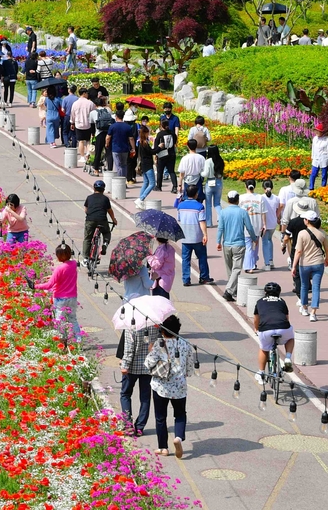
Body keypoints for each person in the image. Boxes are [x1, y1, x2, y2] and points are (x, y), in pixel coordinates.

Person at [144, 314, 191, 459]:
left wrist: (150, 350)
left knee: (160, 417)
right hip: (179, 386)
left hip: (161, 386)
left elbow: (148, 364)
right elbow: (189, 367)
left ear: (163, 330)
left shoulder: (159, 344)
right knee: (180, 414)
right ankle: (178, 437)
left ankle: (163, 447)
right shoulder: (185, 343)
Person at [36, 243, 80, 350]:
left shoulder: (59, 269)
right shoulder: (74, 264)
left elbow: (49, 285)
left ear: (60, 256)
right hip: (72, 297)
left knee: (59, 320)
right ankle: (78, 340)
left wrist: (35, 286)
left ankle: (63, 341)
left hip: (60, 299)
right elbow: (67, 274)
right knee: (73, 318)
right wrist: (52, 276)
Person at [218, 190, 257, 302]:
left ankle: (232, 291)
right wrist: (254, 238)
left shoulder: (223, 212)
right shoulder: (243, 212)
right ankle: (229, 290)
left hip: (226, 244)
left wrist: (218, 241)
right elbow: (249, 227)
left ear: (228, 199)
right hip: (239, 244)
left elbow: (220, 228)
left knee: (230, 269)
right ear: (238, 200)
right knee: (237, 269)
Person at [120, 312, 155, 436]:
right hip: (148, 367)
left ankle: (128, 425)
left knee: (125, 394)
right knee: (145, 397)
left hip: (132, 368)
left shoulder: (131, 327)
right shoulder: (154, 326)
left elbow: (129, 349)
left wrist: (125, 366)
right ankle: (140, 427)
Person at [253, 283, 295, 383]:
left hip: (266, 329)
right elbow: (286, 318)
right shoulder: (281, 301)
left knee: (264, 349)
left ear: (265, 292)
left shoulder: (260, 301)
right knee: (290, 338)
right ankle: (288, 358)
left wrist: (256, 329)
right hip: (283, 327)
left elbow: (256, 319)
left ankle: (261, 373)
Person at [291, 212, 328, 321]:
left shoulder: (302, 233)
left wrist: (294, 266)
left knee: (304, 285)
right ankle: (313, 312)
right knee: (316, 287)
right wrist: (327, 259)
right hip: (318, 263)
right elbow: (327, 249)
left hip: (305, 264)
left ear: (307, 221)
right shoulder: (322, 233)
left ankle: (304, 307)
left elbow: (298, 251)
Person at [176, 185, 211, 286]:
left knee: (186, 259)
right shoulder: (200, 206)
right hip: (197, 237)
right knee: (202, 257)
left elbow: (179, 219)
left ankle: (186, 279)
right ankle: (204, 277)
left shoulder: (180, 206)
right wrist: (205, 234)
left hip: (185, 237)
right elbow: (202, 222)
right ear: (196, 194)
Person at [239, 181, 267, 272]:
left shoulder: (241, 198)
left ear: (245, 186)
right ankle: (253, 263)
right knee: (255, 245)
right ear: (254, 186)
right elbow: (263, 213)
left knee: (248, 246)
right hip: (257, 225)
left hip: (245, 226)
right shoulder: (260, 197)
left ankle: (249, 266)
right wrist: (264, 224)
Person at [83, 180, 117, 254]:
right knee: (106, 233)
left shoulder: (89, 198)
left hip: (90, 220)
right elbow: (110, 211)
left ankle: (85, 258)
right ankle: (105, 244)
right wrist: (113, 220)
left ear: (94, 188)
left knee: (87, 239)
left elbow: (86, 210)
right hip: (102, 220)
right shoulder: (105, 199)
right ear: (103, 190)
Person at [106, 108, 137, 179]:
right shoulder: (127, 127)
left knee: (118, 165)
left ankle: (120, 181)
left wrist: (107, 144)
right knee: (124, 165)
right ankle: (124, 180)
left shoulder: (112, 126)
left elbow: (108, 137)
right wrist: (133, 148)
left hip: (115, 149)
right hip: (125, 149)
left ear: (116, 117)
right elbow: (131, 139)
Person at [89, 98, 115, 175]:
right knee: (109, 152)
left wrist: (93, 134)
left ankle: (96, 170)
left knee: (98, 152)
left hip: (99, 133)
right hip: (108, 133)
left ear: (95, 105)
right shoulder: (108, 110)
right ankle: (110, 169)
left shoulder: (93, 112)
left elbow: (92, 125)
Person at [202, 145, 225, 228]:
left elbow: (206, 174)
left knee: (208, 204)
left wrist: (200, 173)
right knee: (217, 203)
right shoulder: (220, 160)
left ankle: (209, 222)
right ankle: (221, 219)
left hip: (210, 182)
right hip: (218, 182)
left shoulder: (208, 161)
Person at [71, 88, 96, 163]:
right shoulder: (90, 103)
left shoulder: (75, 103)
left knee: (81, 141)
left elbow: (73, 114)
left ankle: (82, 156)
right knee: (88, 141)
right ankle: (88, 154)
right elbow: (93, 113)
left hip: (79, 124)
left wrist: (72, 123)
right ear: (84, 93)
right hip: (88, 124)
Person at [261, 180, 281, 269]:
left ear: (263, 188)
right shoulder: (276, 198)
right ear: (272, 188)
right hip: (273, 222)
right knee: (269, 240)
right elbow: (278, 209)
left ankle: (267, 263)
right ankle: (271, 260)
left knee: (265, 242)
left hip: (264, 223)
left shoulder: (261, 198)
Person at [154, 119, 178, 194]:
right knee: (171, 171)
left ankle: (159, 186)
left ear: (161, 126)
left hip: (162, 154)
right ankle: (174, 187)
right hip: (171, 154)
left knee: (160, 171)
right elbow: (175, 141)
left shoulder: (160, 134)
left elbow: (156, 145)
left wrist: (155, 155)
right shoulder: (172, 133)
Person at [136, 127, 157, 206]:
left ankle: (140, 199)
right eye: (148, 133)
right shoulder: (145, 143)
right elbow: (152, 152)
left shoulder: (140, 142)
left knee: (146, 182)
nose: (148, 134)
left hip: (143, 164)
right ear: (145, 133)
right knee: (152, 184)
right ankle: (141, 198)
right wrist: (159, 147)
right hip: (148, 164)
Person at [309, 123, 328, 189]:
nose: (316, 132)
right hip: (316, 159)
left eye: (318, 131)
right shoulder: (315, 139)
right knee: (313, 174)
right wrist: (312, 157)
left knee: (324, 174)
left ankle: (323, 187)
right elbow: (313, 148)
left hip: (324, 159)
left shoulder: (327, 139)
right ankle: (311, 187)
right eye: (316, 131)